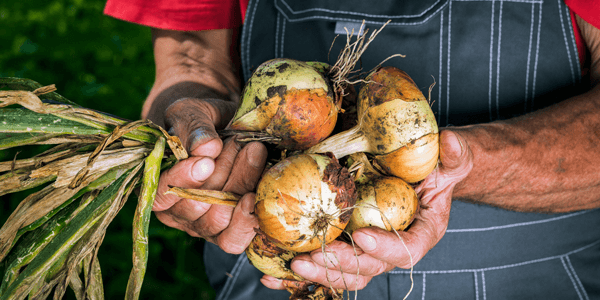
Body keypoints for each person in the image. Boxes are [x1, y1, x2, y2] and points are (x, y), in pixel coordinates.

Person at [104, 0, 600, 298]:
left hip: (531, 280)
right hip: (271, 262)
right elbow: (190, 51)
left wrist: (463, 164)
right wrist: (190, 136)